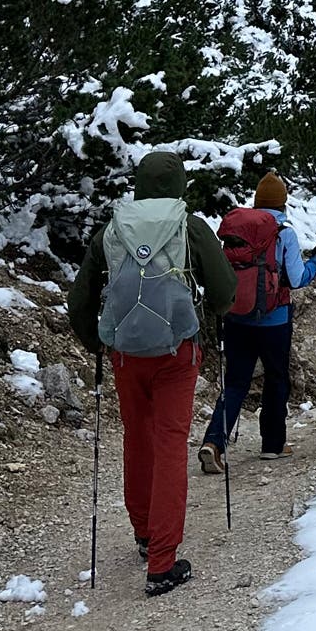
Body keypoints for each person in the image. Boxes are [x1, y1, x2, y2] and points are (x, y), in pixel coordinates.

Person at [69, 150, 236, 597]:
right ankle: (162, 561)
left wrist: (97, 342)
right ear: (180, 184)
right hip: (177, 352)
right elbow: (223, 292)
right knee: (169, 444)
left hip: (125, 353)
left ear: (139, 184)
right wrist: (210, 312)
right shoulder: (190, 226)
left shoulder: (113, 228)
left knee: (136, 438)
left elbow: (81, 298)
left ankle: (144, 534)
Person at [199, 172, 316, 472]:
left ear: (257, 201)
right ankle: (273, 444)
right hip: (274, 320)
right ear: (283, 202)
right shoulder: (284, 232)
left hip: (237, 316)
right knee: (276, 377)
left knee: (236, 381)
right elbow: (295, 279)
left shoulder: (241, 230)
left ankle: (214, 442)